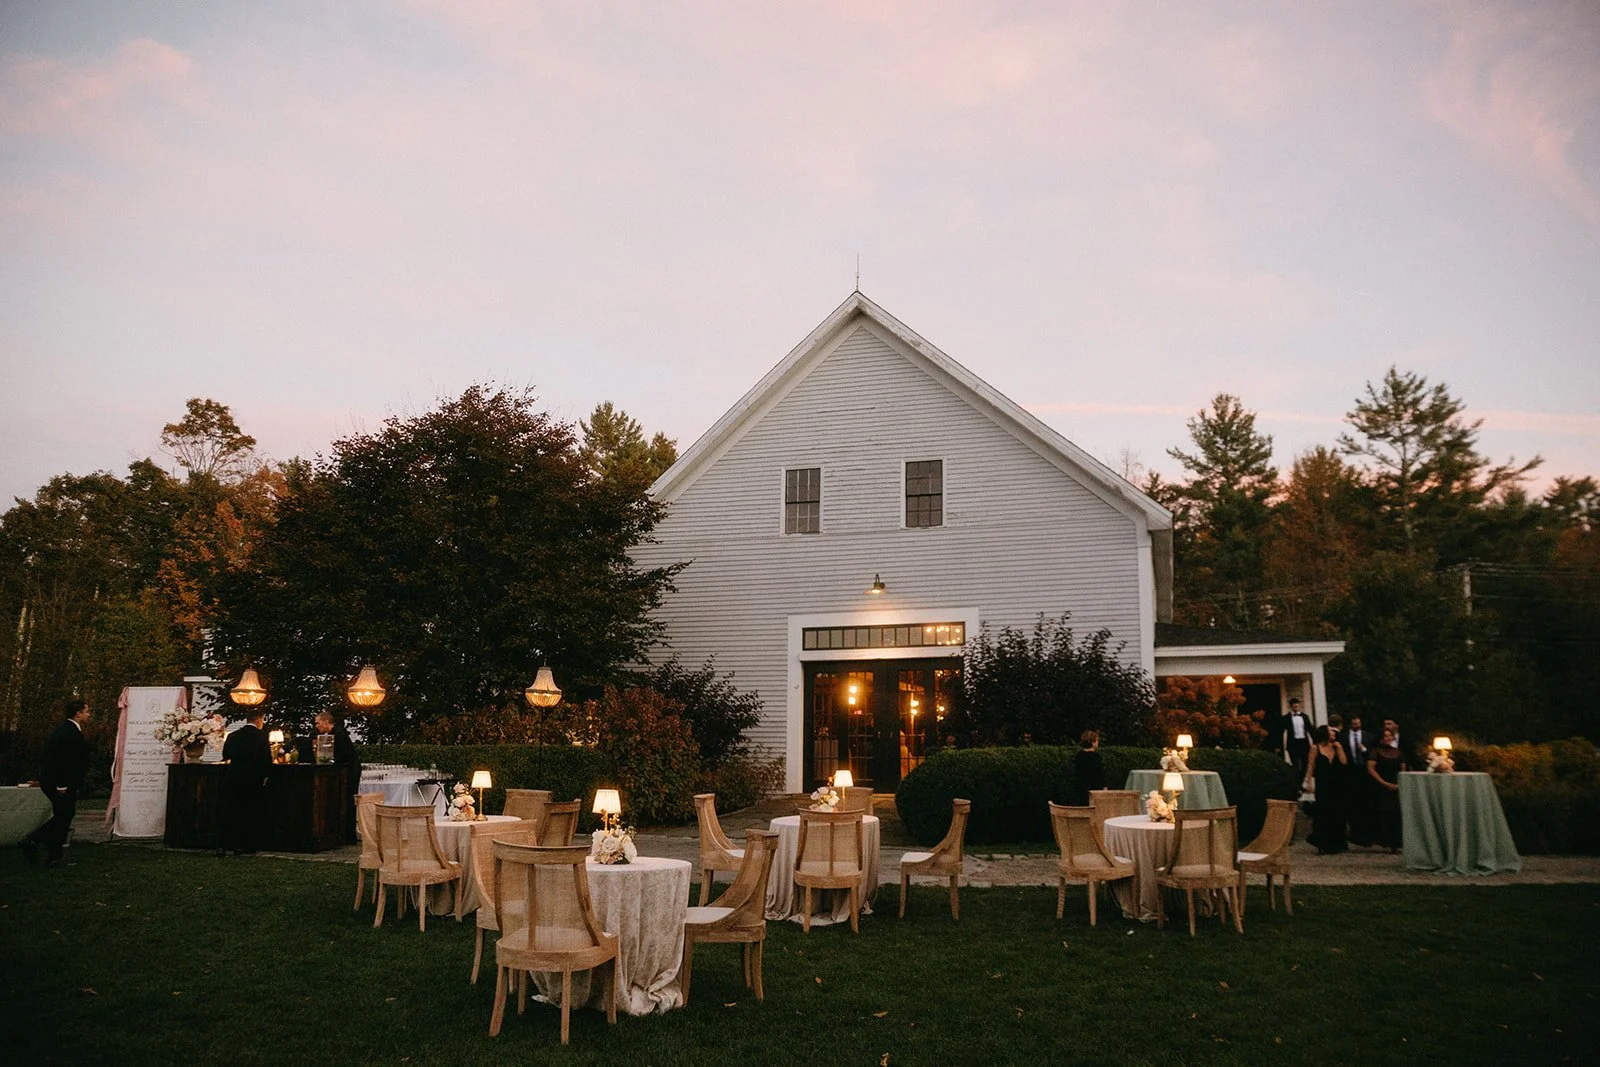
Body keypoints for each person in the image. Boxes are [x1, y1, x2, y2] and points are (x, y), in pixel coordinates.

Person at [20, 698, 93, 866]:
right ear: (78, 713)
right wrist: (62, 784)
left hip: (58, 781)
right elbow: (64, 761)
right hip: (60, 783)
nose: (89, 714)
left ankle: (37, 844)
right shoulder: (70, 733)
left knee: (63, 816)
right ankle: (49, 852)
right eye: (87, 711)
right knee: (64, 816)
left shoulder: (66, 730)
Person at [220, 709, 272, 856]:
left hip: (233, 776)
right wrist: (265, 776)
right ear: (259, 720)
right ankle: (244, 845)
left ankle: (223, 845)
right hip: (252, 778)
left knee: (229, 811)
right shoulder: (261, 737)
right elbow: (266, 759)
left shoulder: (233, 735)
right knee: (248, 812)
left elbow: (226, 755)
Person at [312, 710, 362, 842]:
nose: (316, 726)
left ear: (326, 721)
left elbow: (342, 756)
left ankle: (348, 835)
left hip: (349, 774)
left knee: (347, 802)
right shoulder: (331, 734)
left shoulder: (339, 735)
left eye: (318, 723)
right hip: (345, 772)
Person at [1304, 725, 1349, 854]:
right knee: (1324, 813)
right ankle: (1322, 843)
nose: (1333, 734)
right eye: (1331, 732)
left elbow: (1344, 762)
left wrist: (1339, 748)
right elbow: (1311, 766)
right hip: (1323, 784)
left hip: (1336, 784)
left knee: (1337, 813)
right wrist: (1308, 782)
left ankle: (1338, 843)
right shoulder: (1315, 748)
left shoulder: (1336, 746)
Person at [1367, 723, 1405, 853]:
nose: (1388, 738)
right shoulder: (1376, 751)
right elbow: (1371, 769)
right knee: (1385, 813)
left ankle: (1396, 842)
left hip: (1396, 784)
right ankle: (1386, 841)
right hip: (1381, 786)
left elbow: (1403, 768)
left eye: (1390, 736)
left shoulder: (1397, 751)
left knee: (1396, 814)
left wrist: (1399, 783)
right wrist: (1384, 783)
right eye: (1385, 736)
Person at [1341, 715, 1372, 846]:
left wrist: (1364, 750)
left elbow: (1372, 754)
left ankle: (1366, 834)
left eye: (1358, 723)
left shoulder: (1368, 737)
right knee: (1352, 803)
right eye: (1354, 724)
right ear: (1350, 725)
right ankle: (1354, 833)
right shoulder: (1344, 737)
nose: (1356, 725)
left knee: (1365, 803)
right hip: (1351, 771)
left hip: (1365, 771)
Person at [1280, 697, 1313, 780]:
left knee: (1305, 764)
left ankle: (1301, 782)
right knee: (1296, 765)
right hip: (1293, 743)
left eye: (1298, 706)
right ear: (1291, 707)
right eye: (1295, 706)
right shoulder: (1286, 718)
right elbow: (1281, 731)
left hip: (1304, 743)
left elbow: (1310, 730)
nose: (1296, 708)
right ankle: (1297, 783)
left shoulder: (1305, 717)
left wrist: (1316, 741)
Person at [1073, 729, 1105, 804]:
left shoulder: (1079, 756)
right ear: (1092, 742)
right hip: (1095, 789)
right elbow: (1099, 773)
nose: (1098, 743)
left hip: (1081, 788)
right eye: (1097, 740)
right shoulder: (1096, 757)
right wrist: (1104, 787)